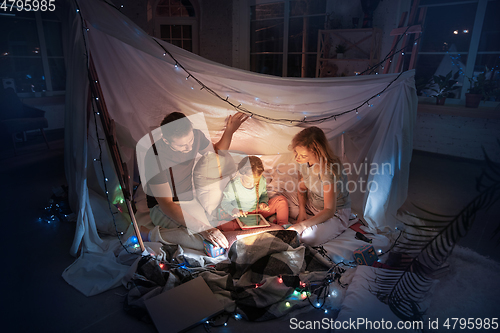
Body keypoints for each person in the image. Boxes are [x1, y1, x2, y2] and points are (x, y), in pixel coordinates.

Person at [140, 111, 248, 250]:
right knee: (200, 241)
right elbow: (167, 204)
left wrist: (230, 131)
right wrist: (205, 229)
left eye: (190, 141)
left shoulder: (196, 135)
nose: (189, 148)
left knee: (213, 240)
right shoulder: (154, 157)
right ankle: (149, 234)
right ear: (166, 140)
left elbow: (217, 154)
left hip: (189, 199)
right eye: (182, 145)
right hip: (162, 206)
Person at [286, 126, 351, 246]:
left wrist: (302, 225)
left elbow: (329, 210)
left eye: (303, 156)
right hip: (312, 205)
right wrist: (302, 211)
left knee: (307, 237)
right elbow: (302, 188)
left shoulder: (328, 170)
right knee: (281, 199)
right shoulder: (303, 163)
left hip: (334, 213)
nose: (297, 158)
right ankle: (307, 217)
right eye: (296, 153)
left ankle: (314, 223)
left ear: (317, 153)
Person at [219, 156, 289, 227]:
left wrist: (263, 203)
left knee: (281, 200)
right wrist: (234, 210)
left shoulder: (262, 180)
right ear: (240, 174)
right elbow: (225, 203)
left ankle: (283, 226)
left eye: (256, 182)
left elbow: (264, 194)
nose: (252, 185)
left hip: (257, 211)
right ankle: (256, 224)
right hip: (242, 214)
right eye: (248, 182)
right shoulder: (233, 185)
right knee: (226, 225)